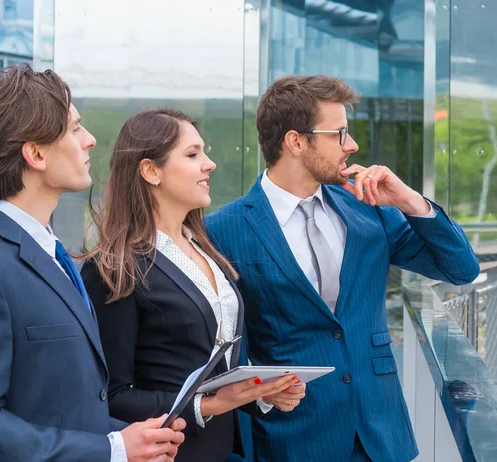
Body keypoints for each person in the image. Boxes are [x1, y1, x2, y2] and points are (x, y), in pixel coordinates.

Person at [205, 75, 481, 462]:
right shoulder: (223, 229)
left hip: (381, 434)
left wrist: (409, 200)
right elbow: (227, 349)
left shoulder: (368, 209)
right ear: (296, 142)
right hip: (294, 439)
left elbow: (461, 269)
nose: (352, 146)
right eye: (339, 134)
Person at [0, 64, 185, 462]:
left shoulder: (53, 254)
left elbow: (56, 404)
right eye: (74, 128)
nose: (89, 140)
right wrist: (111, 450)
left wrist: (130, 437)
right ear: (35, 154)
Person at [80, 109, 305, 462]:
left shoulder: (207, 249)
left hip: (224, 451)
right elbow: (112, 395)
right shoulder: (114, 267)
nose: (210, 164)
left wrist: (261, 392)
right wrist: (211, 404)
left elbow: (217, 367)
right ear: (150, 170)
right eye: (193, 154)